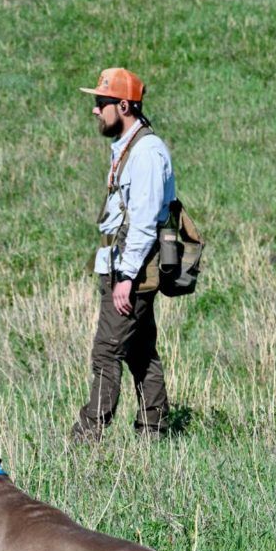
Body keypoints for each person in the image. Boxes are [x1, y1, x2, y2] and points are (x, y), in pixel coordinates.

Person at [73, 67, 174, 440]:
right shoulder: (131, 147)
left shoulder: (147, 152)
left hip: (133, 271)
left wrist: (126, 277)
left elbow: (146, 220)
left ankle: (87, 435)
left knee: (106, 352)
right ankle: (153, 429)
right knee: (140, 352)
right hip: (122, 267)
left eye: (102, 103)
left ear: (125, 105)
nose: (96, 110)